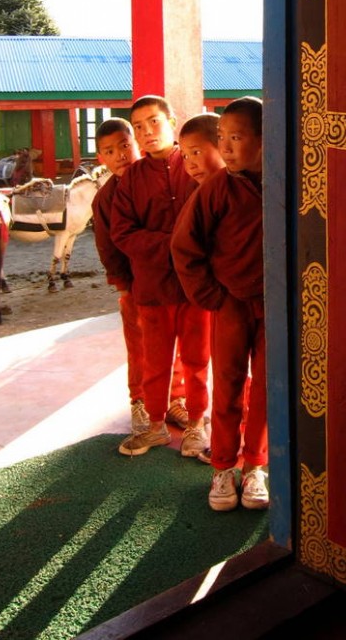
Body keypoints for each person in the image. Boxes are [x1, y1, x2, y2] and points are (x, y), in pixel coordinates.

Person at [171, 96, 268, 512]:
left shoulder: (287, 183)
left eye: (237, 137)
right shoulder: (216, 190)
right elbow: (184, 246)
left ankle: (256, 466)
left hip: (275, 306)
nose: (225, 147)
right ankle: (224, 466)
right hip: (229, 304)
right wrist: (211, 296)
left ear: (265, 140)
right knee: (227, 383)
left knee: (266, 387)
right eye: (222, 138)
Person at [109, 95, 211, 460]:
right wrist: (173, 245)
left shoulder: (194, 166)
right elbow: (122, 231)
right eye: (138, 127)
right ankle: (155, 426)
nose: (146, 132)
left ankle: (197, 424)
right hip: (151, 288)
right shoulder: (132, 179)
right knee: (155, 362)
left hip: (196, 287)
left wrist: (186, 249)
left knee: (197, 361)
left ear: (171, 121)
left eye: (153, 122)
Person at [91, 117, 187, 438]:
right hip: (135, 285)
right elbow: (109, 248)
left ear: (137, 144)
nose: (120, 155)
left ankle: (176, 398)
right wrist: (124, 285)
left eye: (124, 145)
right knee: (140, 344)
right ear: (100, 157)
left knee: (176, 343)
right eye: (109, 151)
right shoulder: (104, 198)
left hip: (169, 279)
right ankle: (140, 399)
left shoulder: (158, 178)